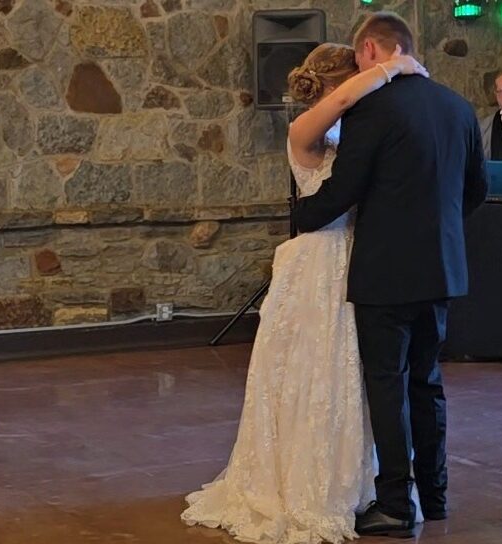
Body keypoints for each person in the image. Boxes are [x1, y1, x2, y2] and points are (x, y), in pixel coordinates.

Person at [180, 42, 429, 544]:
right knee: (312, 369)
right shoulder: (305, 129)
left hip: (353, 256)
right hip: (319, 258)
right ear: (339, 83)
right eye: (355, 78)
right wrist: (393, 66)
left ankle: (348, 480)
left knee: (345, 375)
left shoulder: (351, 131)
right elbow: (336, 108)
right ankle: (302, 483)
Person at [292, 12, 488, 539]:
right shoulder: (459, 106)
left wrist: (299, 220)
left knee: (388, 386)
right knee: (428, 383)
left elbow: (344, 190)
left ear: (373, 51)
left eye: (359, 58)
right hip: (442, 269)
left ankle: (397, 503)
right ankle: (437, 494)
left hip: (385, 272)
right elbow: (476, 192)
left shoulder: (372, 110)